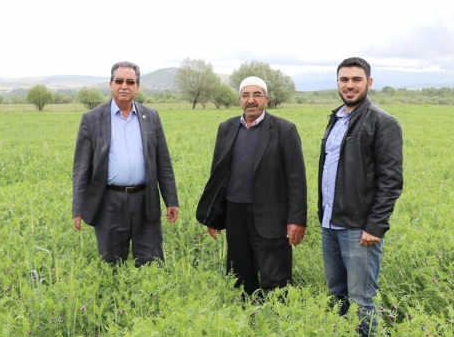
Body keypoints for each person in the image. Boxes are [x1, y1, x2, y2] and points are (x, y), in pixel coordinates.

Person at [318, 57, 403, 337]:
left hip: (359, 229)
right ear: (338, 83)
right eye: (344, 80)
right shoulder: (337, 118)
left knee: (362, 298)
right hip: (330, 223)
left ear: (369, 82)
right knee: (337, 294)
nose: (349, 85)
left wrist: (375, 225)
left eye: (356, 79)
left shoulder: (382, 122)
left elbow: (391, 180)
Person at [196, 76, 307, 296]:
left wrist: (296, 220)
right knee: (239, 275)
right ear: (240, 99)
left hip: (271, 215)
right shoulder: (226, 128)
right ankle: (245, 320)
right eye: (246, 95)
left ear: (266, 98)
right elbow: (217, 175)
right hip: (235, 214)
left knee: (276, 279)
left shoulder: (284, 130)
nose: (251, 100)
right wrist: (213, 215)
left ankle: (276, 322)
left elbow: (296, 179)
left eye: (257, 95)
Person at [72, 61, 179, 266]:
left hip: (145, 199)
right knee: (111, 263)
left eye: (130, 82)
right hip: (109, 202)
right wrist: (78, 208)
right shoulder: (91, 119)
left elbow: (163, 162)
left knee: (152, 263)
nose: (124, 86)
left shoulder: (151, 117)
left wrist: (171, 200)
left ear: (137, 88)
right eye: (119, 80)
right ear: (111, 84)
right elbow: (81, 169)